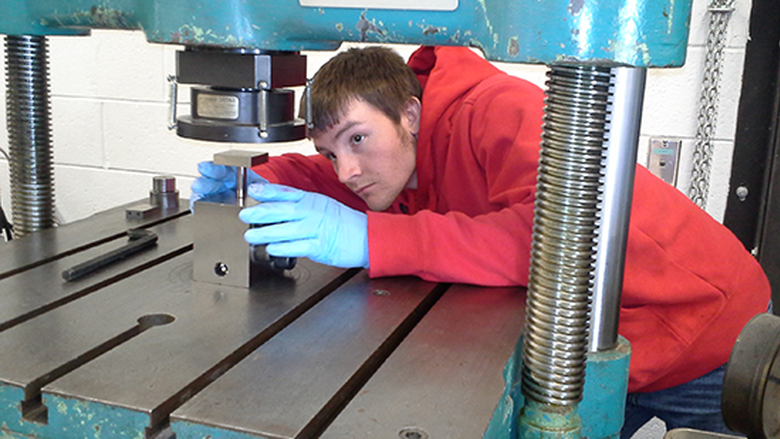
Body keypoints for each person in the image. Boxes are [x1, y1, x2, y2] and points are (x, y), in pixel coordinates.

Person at [191, 45, 771, 436]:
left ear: (411, 114)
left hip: (704, 334)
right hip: (586, 352)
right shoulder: (397, 161)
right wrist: (257, 181)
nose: (347, 169)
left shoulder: (498, 111)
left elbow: (561, 237)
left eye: (359, 139)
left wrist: (374, 240)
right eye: (330, 151)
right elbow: (337, 182)